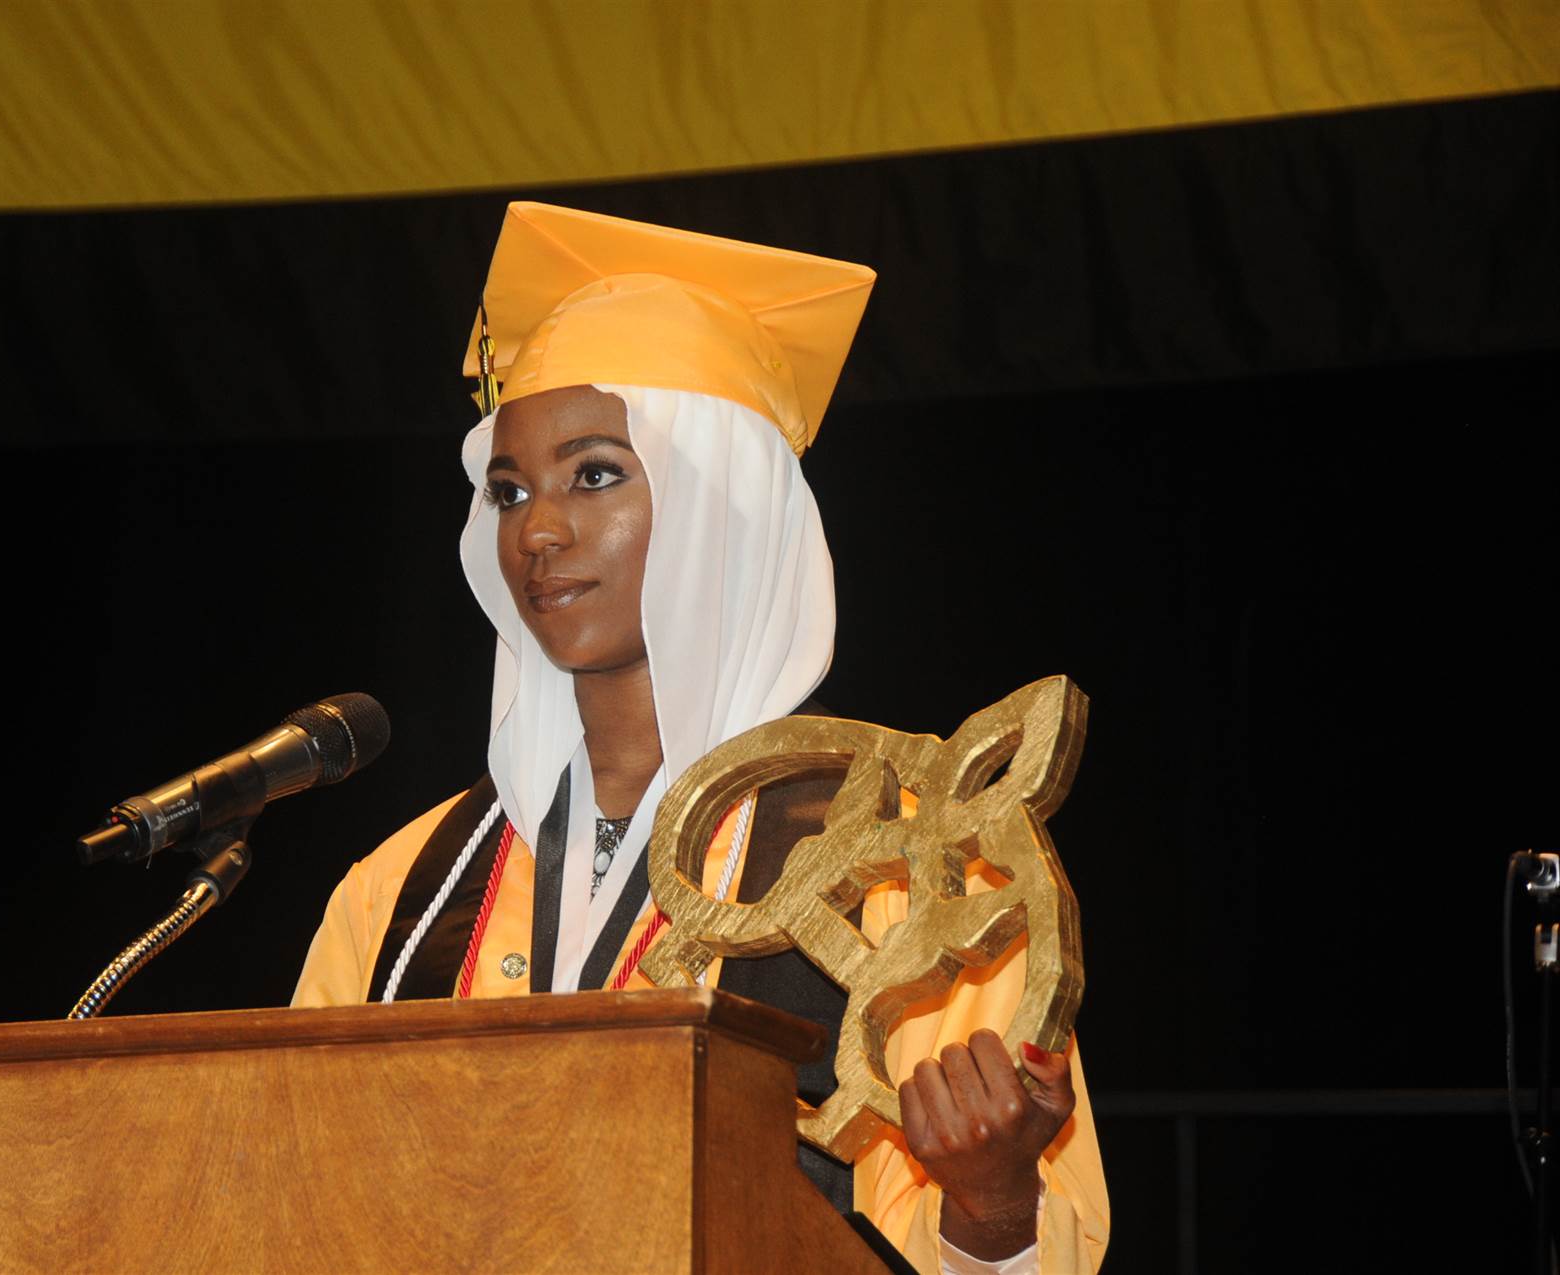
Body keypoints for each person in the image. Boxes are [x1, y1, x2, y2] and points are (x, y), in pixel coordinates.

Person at [292, 202, 1109, 1274]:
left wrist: (994, 1211)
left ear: (728, 508)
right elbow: (290, 1197)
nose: (536, 530)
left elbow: (1028, 1241)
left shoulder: (919, 867)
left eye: (595, 474)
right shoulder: (404, 891)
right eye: (509, 489)